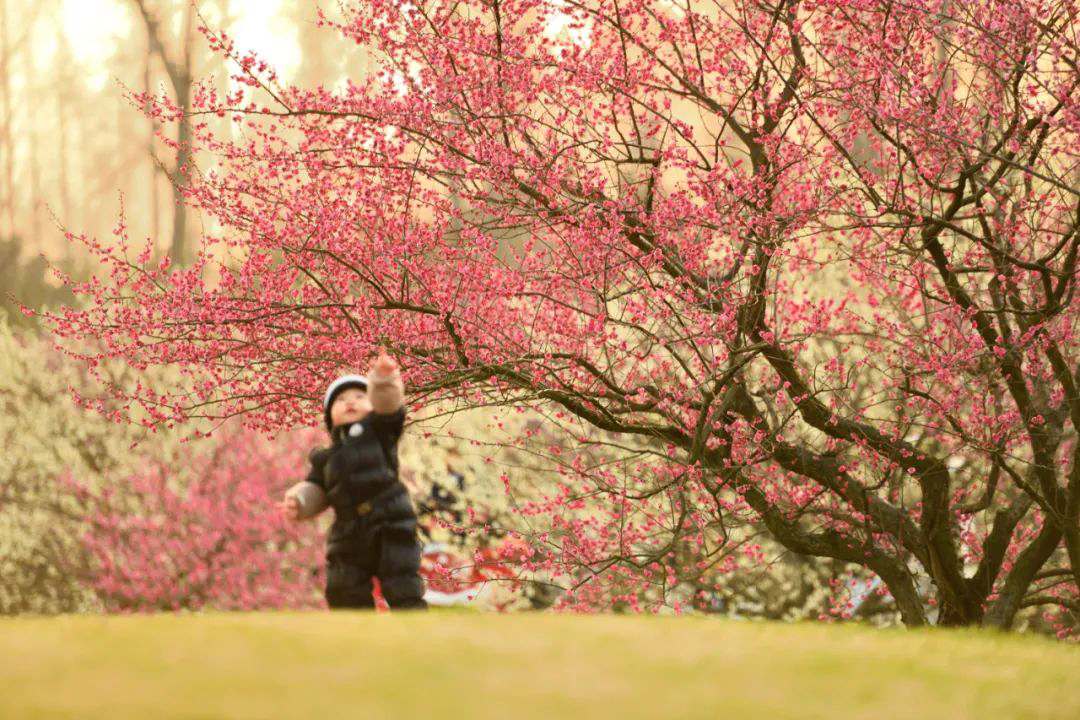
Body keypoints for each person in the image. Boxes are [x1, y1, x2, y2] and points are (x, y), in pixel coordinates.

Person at [278, 351, 427, 609]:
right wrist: (298, 501)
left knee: (401, 583)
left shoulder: (380, 432)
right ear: (329, 416)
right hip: (348, 529)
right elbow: (316, 488)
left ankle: (416, 634)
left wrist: (383, 379)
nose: (351, 402)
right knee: (343, 588)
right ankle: (358, 636)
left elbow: (389, 407)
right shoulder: (324, 457)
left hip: (390, 521)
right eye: (341, 400)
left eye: (360, 396)